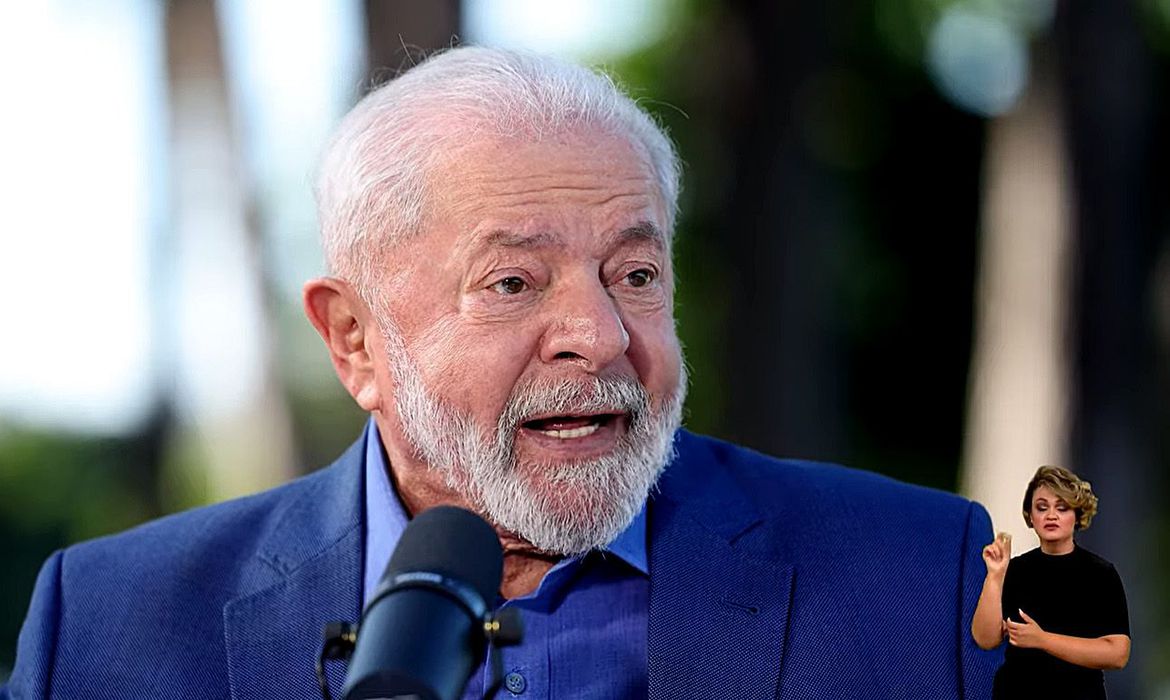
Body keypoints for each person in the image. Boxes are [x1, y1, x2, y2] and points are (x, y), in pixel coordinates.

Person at [4, 47, 1001, 699]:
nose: (599, 336)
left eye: (636, 274)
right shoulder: (109, 625)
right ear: (354, 339)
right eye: (514, 282)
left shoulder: (920, 582)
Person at [971, 466, 1130, 699]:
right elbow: (985, 639)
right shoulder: (1015, 569)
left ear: (1077, 515)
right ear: (1030, 516)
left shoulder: (1101, 574)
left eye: (1062, 507)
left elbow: (1117, 654)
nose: (1051, 515)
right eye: (1042, 507)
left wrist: (1042, 639)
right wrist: (995, 575)